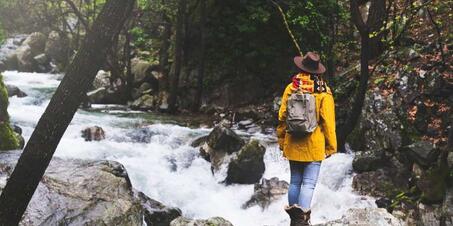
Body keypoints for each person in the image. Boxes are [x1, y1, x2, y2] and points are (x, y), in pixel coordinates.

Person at [277, 52, 337, 226]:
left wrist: (282, 142)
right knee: (308, 184)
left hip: (292, 142)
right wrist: (331, 147)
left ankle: (294, 220)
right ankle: (303, 221)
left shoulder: (291, 88)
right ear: (318, 71)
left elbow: (282, 116)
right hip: (314, 145)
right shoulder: (324, 91)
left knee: (295, 181)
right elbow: (328, 122)